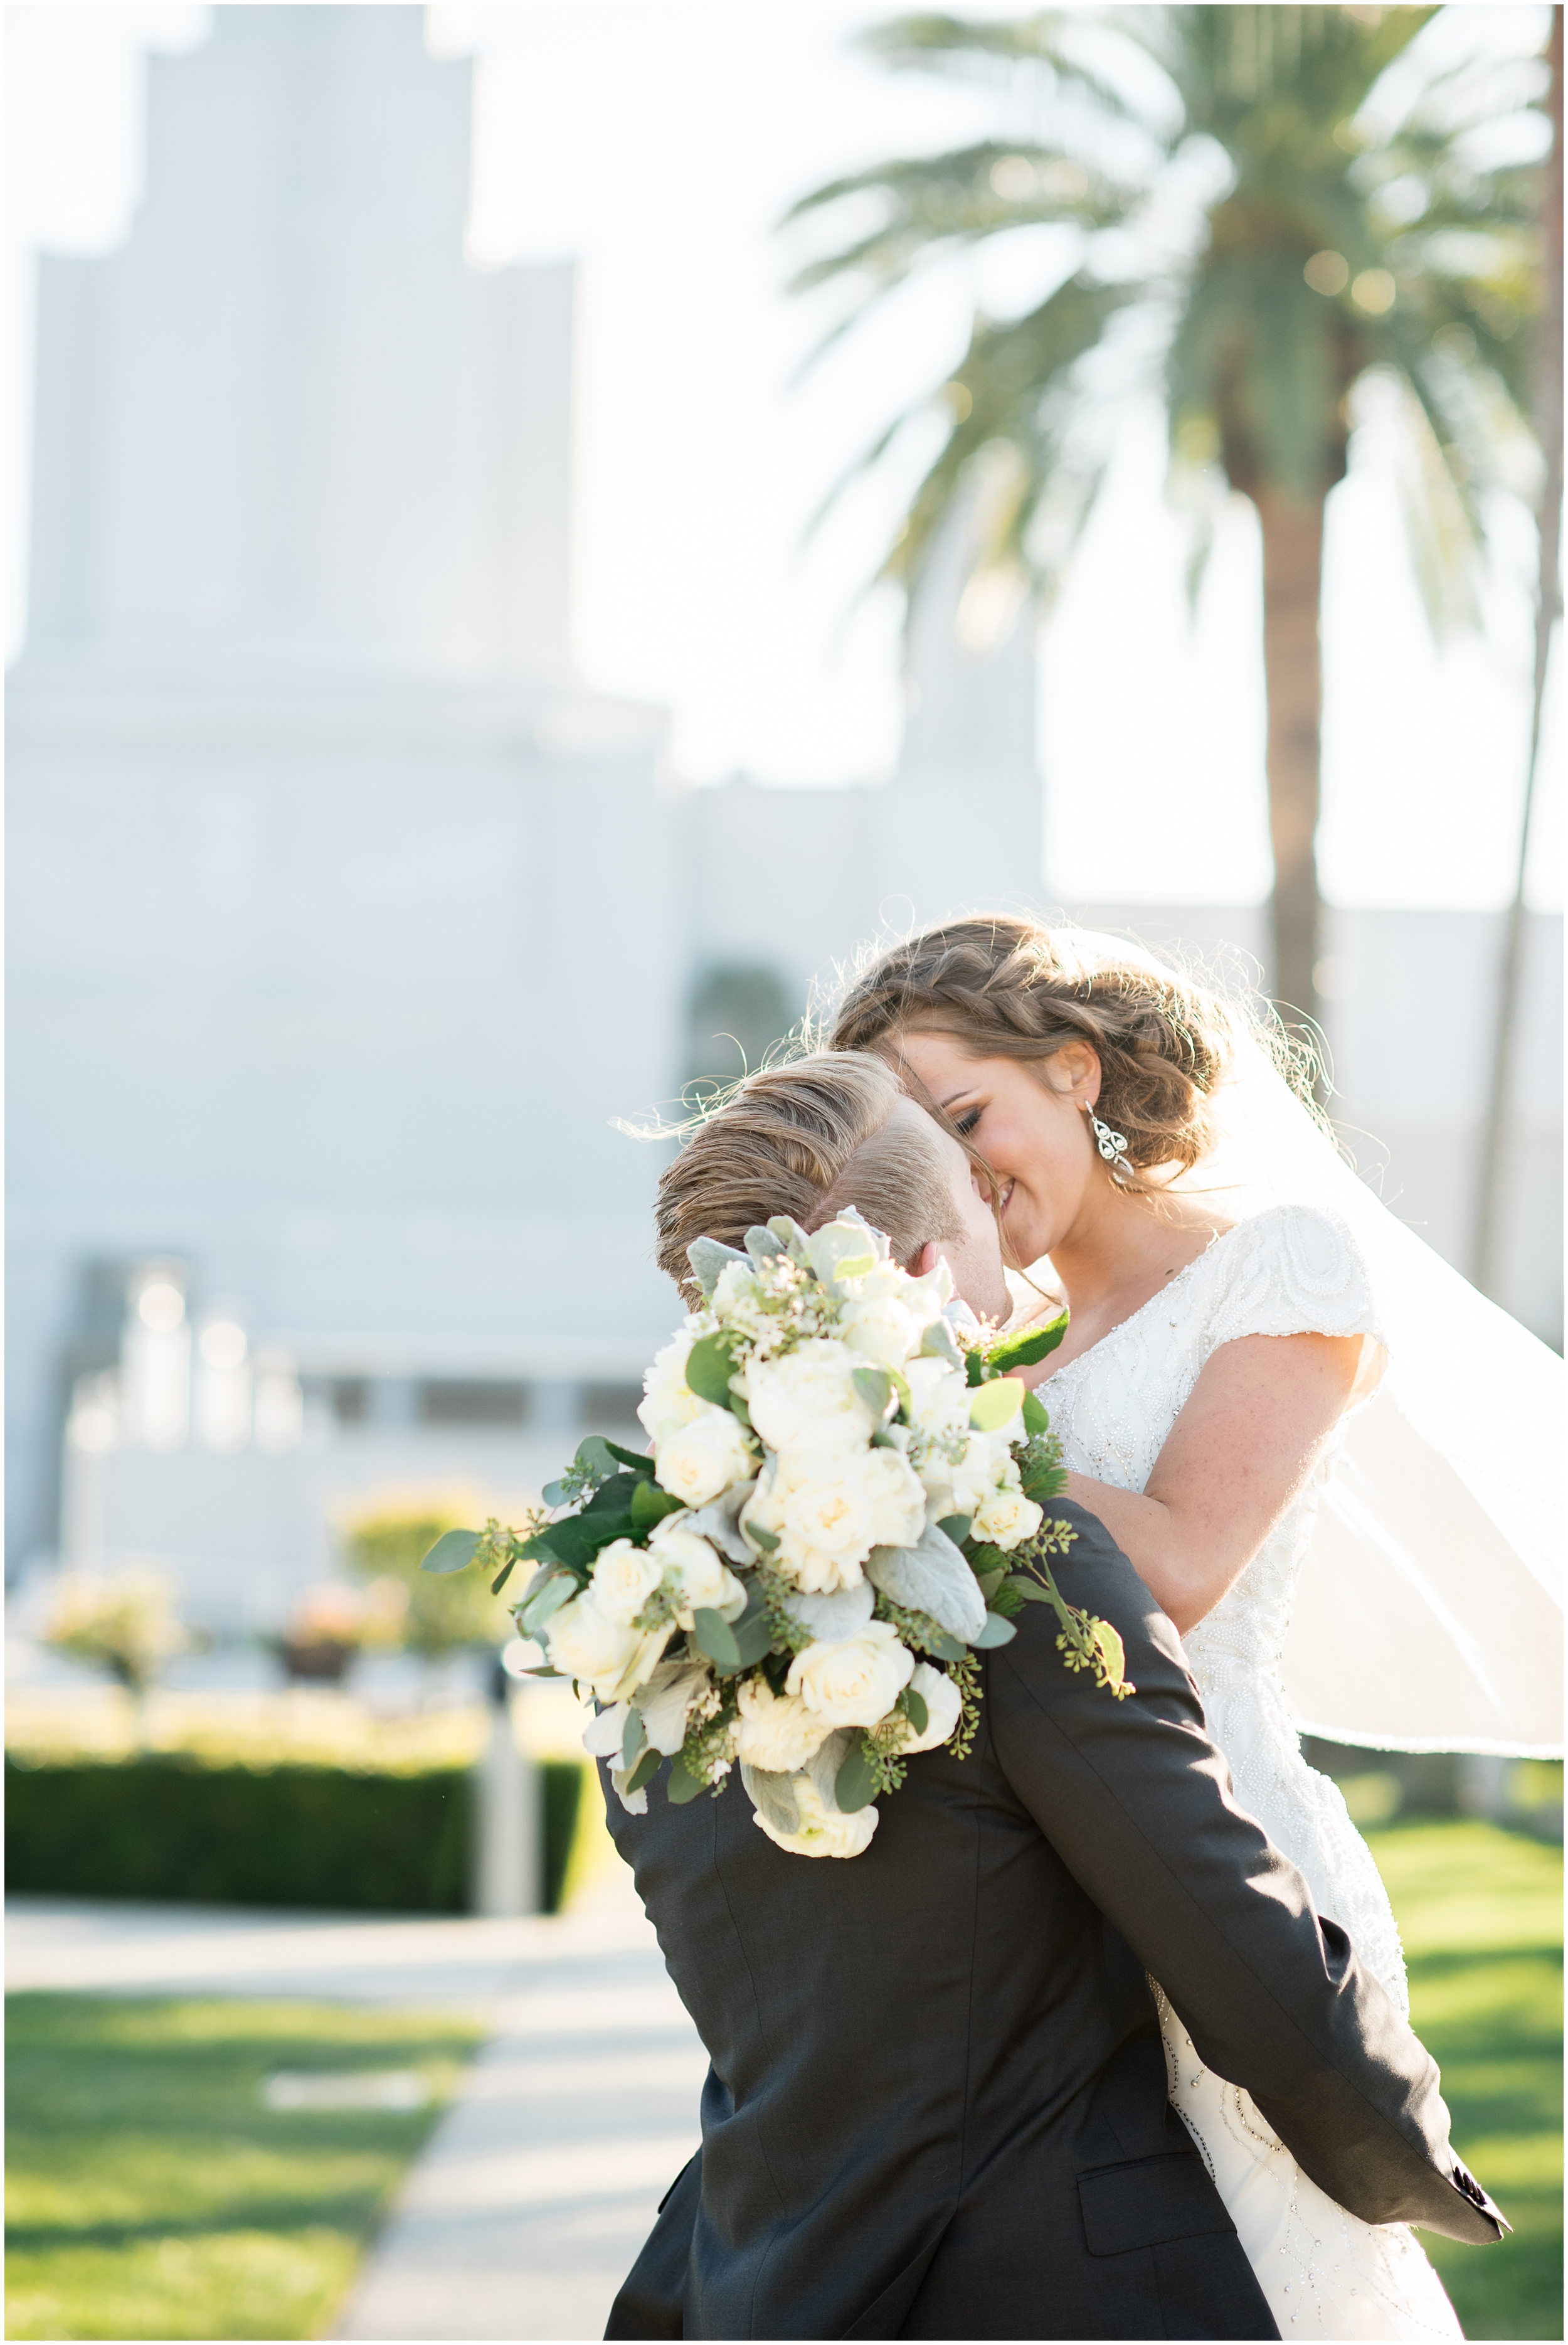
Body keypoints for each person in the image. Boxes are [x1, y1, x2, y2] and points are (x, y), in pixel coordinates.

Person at [618, 1050, 1506, 2340]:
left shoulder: (648, 1599)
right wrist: (1400, 2142)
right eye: (976, 1213)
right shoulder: (1017, 1558)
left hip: (760, 2277)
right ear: (926, 1275)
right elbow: (1233, 1937)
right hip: (1052, 2279)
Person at [824, 912, 1562, 2335]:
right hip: (1030, 1916)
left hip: (1222, 1866)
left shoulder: (1278, 1269)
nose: (955, 1170)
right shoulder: (992, 1340)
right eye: (915, 1145)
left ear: (1074, 1071)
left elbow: (1174, 1565)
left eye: (968, 1114)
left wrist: (915, 1424)